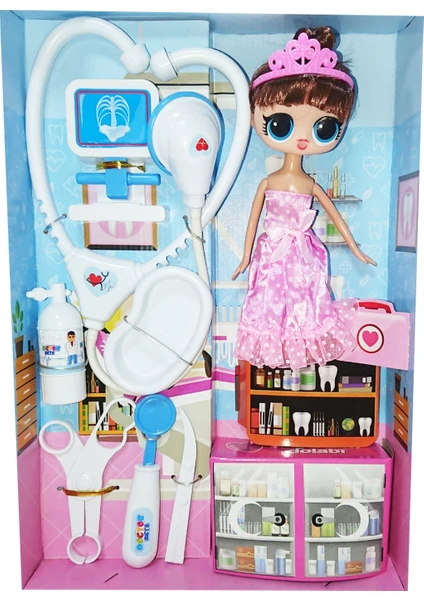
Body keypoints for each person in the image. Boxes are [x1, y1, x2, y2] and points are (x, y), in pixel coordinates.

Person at [233, 26, 376, 371]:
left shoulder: (309, 184)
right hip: (271, 251)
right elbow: (253, 220)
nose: (301, 140)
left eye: (322, 128)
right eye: (282, 124)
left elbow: (334, 214)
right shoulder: (269, 182)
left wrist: (354, 247)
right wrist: (246, 256)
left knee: (305, 301)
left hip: (302, 252)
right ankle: (277, 344)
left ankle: (299, 344)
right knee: (269, 301)